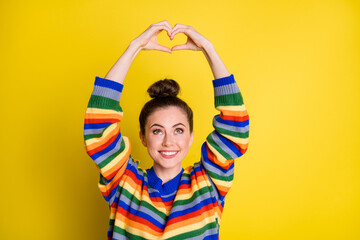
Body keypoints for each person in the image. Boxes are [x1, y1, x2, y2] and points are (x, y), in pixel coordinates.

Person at [84, 20, 249, 240]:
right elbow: (99, 126)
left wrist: (208, 49)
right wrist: (134, 47)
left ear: (191, 137)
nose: (168, 141)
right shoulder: (124, 182)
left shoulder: (208, 181)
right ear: (143, 137)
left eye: (178, 130)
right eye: (157, 131)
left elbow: (234, 128)